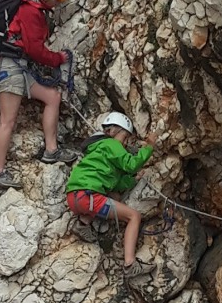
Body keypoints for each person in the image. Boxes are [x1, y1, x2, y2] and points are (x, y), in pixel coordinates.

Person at [0, 0, 76, 188]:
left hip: (20, 67)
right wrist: (58, 58)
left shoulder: (31, 7)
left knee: (53, 97)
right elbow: (34, 49)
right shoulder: (30, 12)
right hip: (9, 67)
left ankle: (51, 150)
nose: (55, 4)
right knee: (8, 120)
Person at [66, 111, 155, 281]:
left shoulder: (99, 150)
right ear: (115, 132)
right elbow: (130, 164)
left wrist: (133, 180)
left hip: (75, 197)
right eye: (125, 137)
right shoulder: (112, 145)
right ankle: (130, 264)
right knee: (134, 216)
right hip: (89, 197)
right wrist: (149, 147)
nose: (126, 143)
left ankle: (83, 223)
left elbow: (117, 184)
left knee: (114, 196)